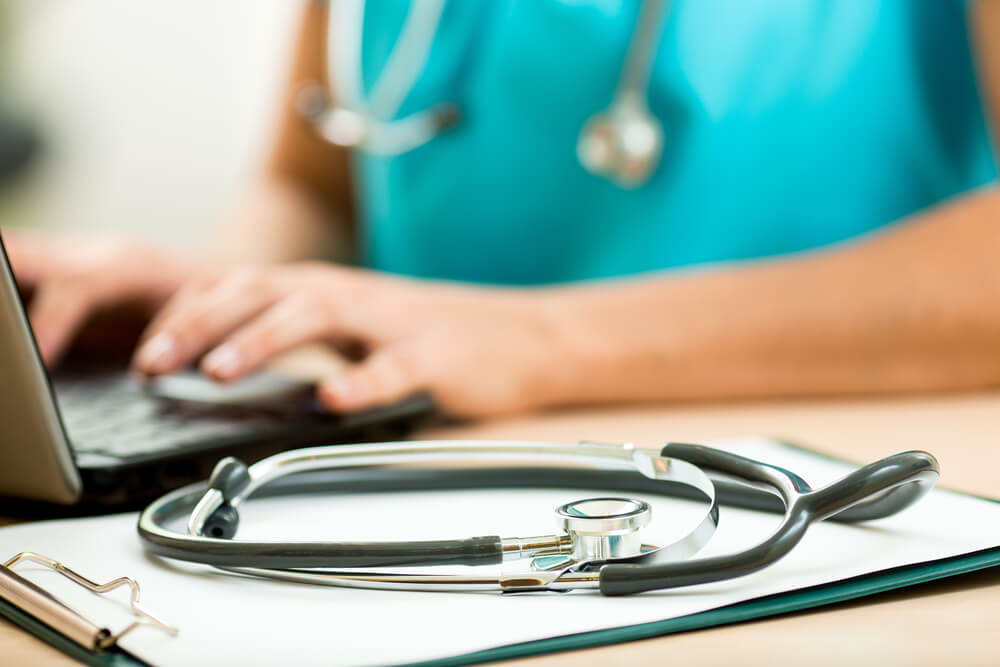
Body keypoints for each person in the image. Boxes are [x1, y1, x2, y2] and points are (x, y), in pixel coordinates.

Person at [4, 0, 1000, 418]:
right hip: (440, 491)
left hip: (816, 504)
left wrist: (531, 340)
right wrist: (221, 308)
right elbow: (312, 183)